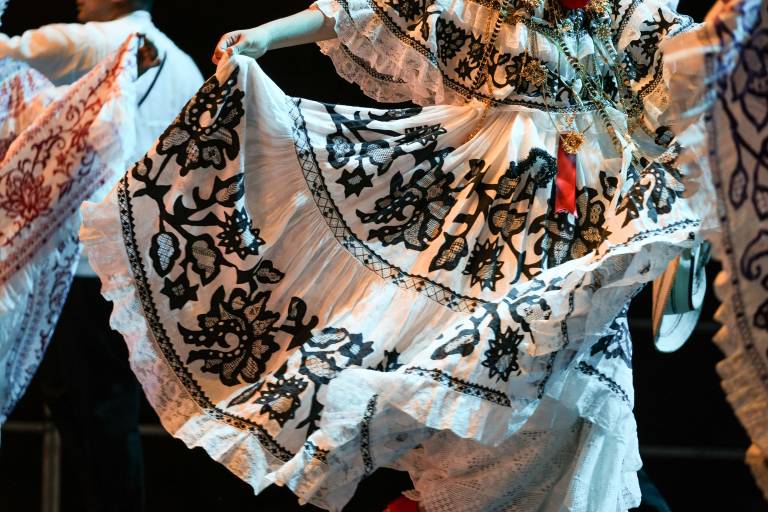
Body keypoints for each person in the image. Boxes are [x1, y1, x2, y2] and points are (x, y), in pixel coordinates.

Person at [79, 0, 766, 510]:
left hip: (581, 242)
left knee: (581, 411)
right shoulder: (488, 12)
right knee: (487, 419)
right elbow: (368, 8)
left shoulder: (622, 20)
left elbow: (696, 63)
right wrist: (265, 36)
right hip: (487, 239)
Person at [1, 2, 203, 511]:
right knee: (107, 417)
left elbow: (6, 56)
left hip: (80, 269)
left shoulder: (88, 42)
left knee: (82, 417)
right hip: (139, 274)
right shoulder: (186, 68)